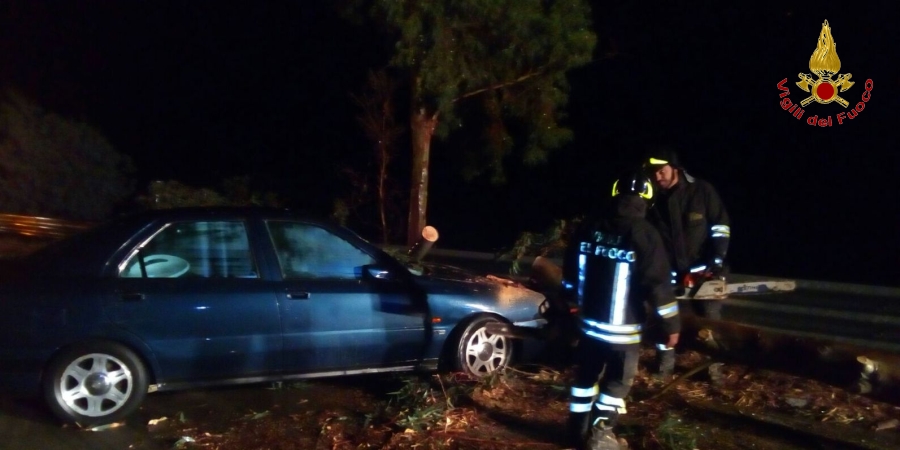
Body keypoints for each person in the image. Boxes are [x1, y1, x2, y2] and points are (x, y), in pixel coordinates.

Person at [561, 169, 681, 450]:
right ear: (647, 200)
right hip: (623, 332)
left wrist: (569, 305)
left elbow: (570, 272)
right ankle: (601, 435)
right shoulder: (645, 234)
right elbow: (658, 286)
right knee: (617, 382)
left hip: (589, 325)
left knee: (585, 378)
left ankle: (576, 430)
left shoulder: (589, 226)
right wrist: (671, 326)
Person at [642, 147, 731, 378]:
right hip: (668, 276)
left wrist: (715, 263)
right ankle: (663, 371)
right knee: (665, 322)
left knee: (709, 325)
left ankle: (713, 372)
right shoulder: (653, 202)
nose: (657, 177)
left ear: (675, 168)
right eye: (653, 173)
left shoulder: (702, 191)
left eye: (661, 171)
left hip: (704, 272)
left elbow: (720, 227)